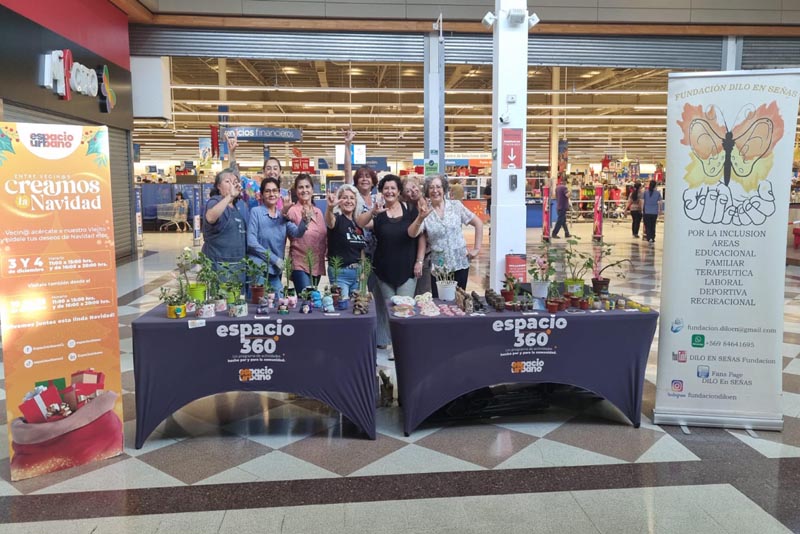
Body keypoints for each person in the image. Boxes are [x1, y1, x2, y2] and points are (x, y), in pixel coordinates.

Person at [357, 174, 425, 352]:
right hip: (384, 270)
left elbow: (416, 236)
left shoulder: (410, 210)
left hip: (407, 268)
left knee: (405, 308)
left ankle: (404, 347)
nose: (389, 191)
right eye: (386, 188)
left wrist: (419, 261)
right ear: (381, 191)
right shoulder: (378, 213)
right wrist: (372, 211)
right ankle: (391, 345)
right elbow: (360, 222)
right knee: (389, 308)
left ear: (399, 191)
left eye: (393, 188)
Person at [410, 175, 483, 296]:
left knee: (459, 301)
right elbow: (414, 234)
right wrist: (420, 217)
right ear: (427, 191)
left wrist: (476, 248)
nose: (435, 190)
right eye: (431, 188)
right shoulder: (425, 212)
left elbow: (478, 223)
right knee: (441, 304)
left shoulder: (456, 206)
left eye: (438, 187)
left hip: (460, 263)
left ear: (444, 189)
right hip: (439, 267)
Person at [247, 177, 307, 296]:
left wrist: (305, 220)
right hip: (258, 269)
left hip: (274, 271)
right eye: (267, 191)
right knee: (259, 305)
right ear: (262, 194)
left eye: (275, 191)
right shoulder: (256, 212)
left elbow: (297, 233)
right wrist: (274, 259)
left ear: (279, 193)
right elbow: (251, 242)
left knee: (281, 300)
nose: (271, 194)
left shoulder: (282, 215)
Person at [202, 168, 246, 277]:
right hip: (220, 265)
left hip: (238, 264)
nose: (232, 185)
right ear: (218, 186)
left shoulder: (238, 206)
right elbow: (211, 217)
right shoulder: (215, 201)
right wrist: (229, 196)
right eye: (227, 181)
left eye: (234, 182)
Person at [325, 184, 366, 300]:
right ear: (339, 200)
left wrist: (362, 271)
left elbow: (361, 250)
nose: (349, 201)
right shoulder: (337, 218)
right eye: (345, 197)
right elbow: (329, 221)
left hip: (357, 274)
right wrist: (329, 208)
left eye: (352, 198)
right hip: (340, 273)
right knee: (342, 307)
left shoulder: (357, 223)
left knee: (357, 306)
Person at [286, 173, 326, 290]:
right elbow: (292, 234)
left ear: (312, 189)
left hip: (317, 264)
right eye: (300, 187)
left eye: (307, 187)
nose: (304, 190)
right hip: (299, 263)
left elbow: (324, 237)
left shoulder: (318, 212)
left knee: (312, 300)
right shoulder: (292, 211)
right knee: (306, 299)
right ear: (296, 191)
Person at [402, 176, 431, 295]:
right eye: (408, 191)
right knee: (419, 293)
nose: (413, 191)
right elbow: (421, 236)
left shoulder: (430, 202)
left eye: (413, 187)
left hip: (432, 255)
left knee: (427, 292)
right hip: (417, 255)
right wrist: (419, 261)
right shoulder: (409, 210)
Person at [642, 179, 663, 243]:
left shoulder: (645, 192)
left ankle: (649, 238)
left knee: (647, 225)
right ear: (655, 186)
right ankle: (652, 237)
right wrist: (660, 210)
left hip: (647, 211)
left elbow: (643, 202)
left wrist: (642, 209)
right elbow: (660, 202)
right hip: (654, 211)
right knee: (653, 225)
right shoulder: (657, 193)